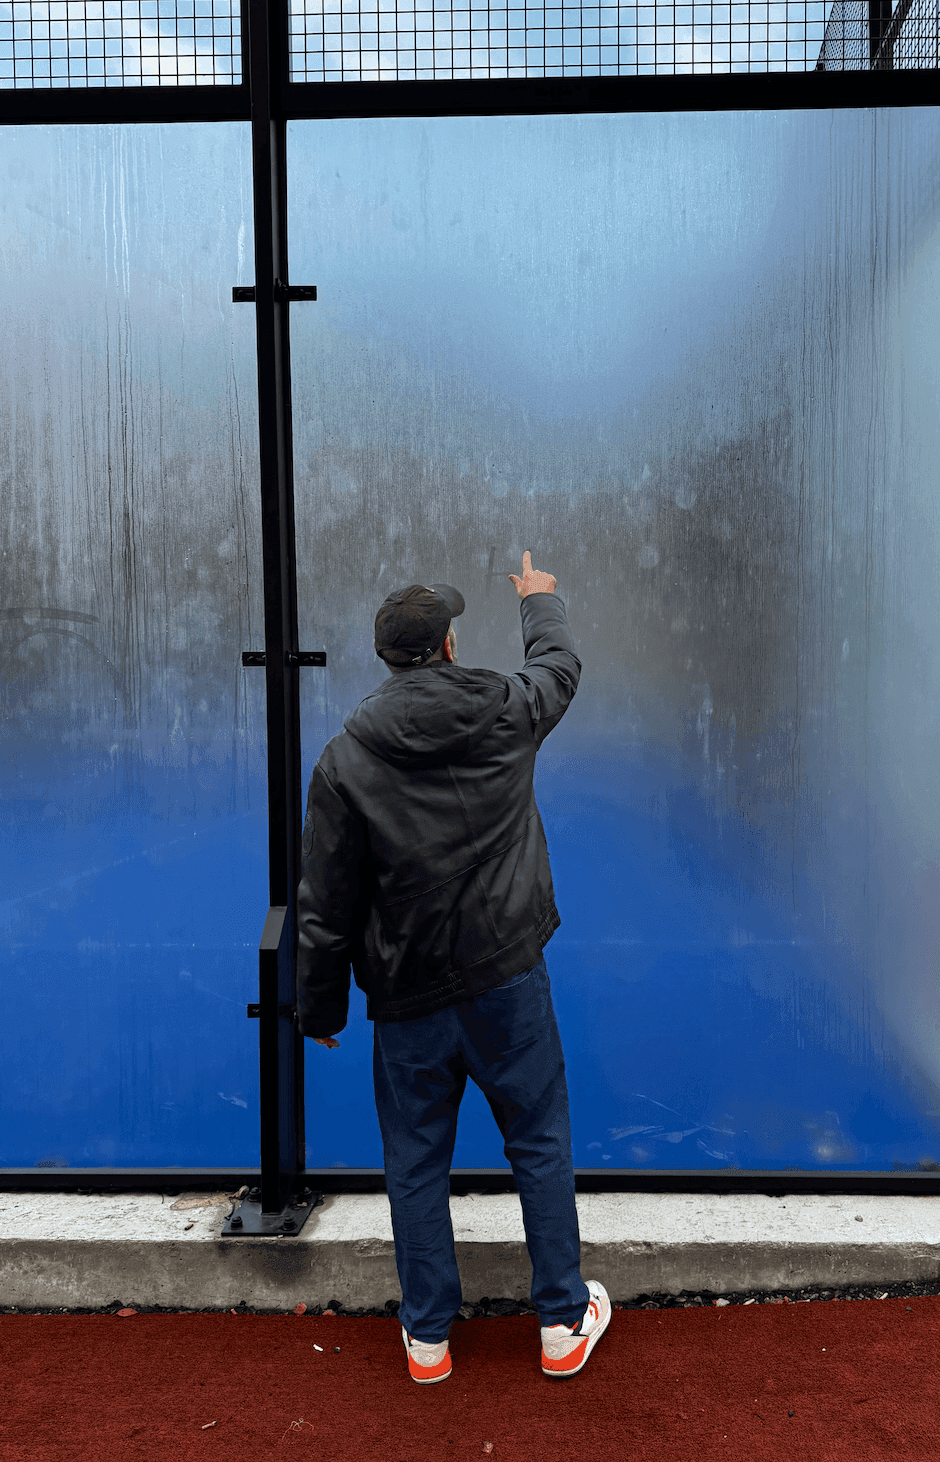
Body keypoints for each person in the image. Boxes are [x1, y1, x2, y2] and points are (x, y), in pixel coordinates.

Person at [295, 553, 609, 1385]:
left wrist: (320, 1009)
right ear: (447, 645)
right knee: (539, 1143)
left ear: (387, 657)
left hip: (408, 999)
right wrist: (539, 601)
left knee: (415, 1162)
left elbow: (324, 901)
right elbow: (560, 668)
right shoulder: (506, 709)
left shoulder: (343, 760)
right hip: (508, 979)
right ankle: (561, 1326)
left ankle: (428, 1339)